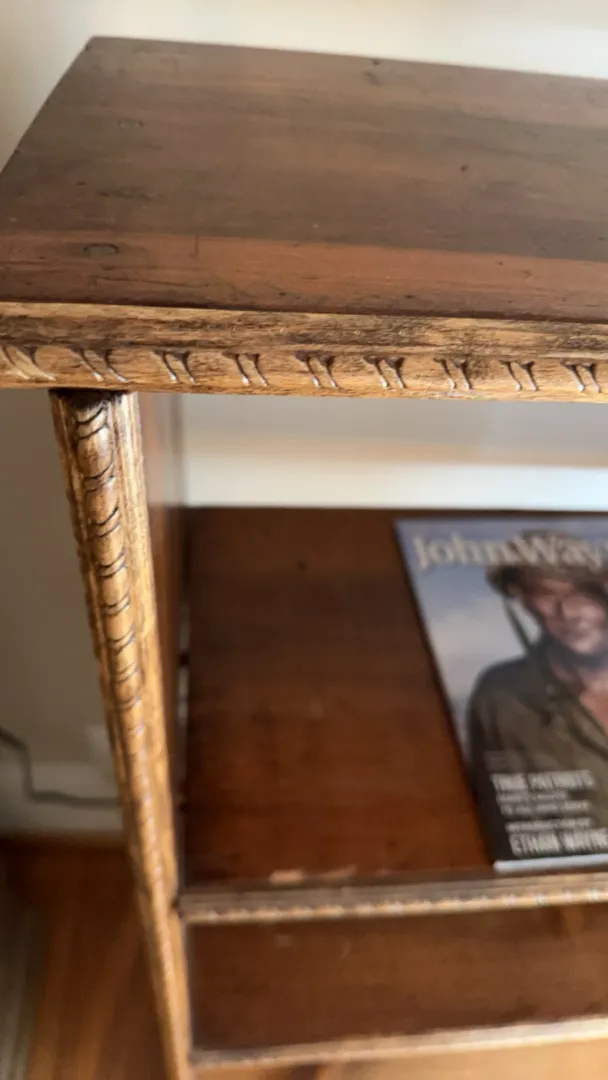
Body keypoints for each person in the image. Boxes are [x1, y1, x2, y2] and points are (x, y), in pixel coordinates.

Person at [467, 531, 608, 826]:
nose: (569, 613)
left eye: (585, 591)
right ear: (523, 600)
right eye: (547, 594)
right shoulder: (500, 697)